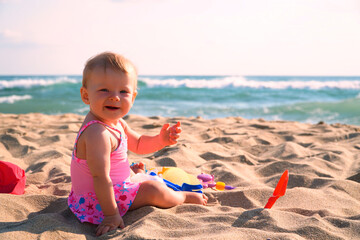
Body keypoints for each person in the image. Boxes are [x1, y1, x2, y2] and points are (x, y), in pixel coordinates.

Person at [68, 52, 208, 236]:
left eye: (123, 92)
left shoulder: (116, 123)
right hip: (97, 203)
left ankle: (135, 176)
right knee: (154, 189)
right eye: (104, 90)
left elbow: (140, 144)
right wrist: (111, 215)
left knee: (136, 174)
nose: (115, 97)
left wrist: (161, 140)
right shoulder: (97, 133)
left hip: (108, 190)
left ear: (133, 97)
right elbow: (100, 177)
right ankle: (182, 196)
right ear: (86, 95)